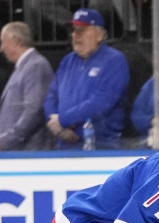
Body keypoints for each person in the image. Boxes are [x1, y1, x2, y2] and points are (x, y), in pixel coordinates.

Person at [43, 8, 129, 150]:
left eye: (82, 30)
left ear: (100, 35)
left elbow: (102, 101)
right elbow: (51, 96)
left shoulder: (114, 61)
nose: (76, 35)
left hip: (101, 145)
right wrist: (56, 125)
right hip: (64, 143)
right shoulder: (67, 61)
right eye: (74, 30)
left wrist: (63, 120)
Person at [0, 22, 54, 151]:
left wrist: (7, 141)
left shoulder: (36, 65)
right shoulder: (23, 67)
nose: (1, 49)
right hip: (17, 150)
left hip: (29, 151)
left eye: (3, 42)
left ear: (15, 41)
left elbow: (34, 111)